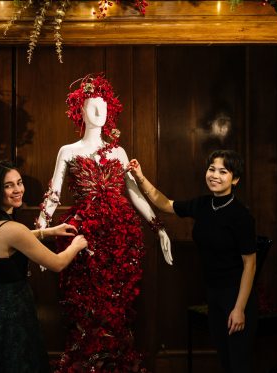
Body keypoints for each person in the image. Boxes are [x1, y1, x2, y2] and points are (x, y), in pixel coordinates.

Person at [36, 74, 173, 372]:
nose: (100, 113)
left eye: (104, 107)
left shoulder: (118, 151)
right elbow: (53, 195)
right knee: (87, 309)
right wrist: (40, 237)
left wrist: (158, 227)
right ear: (80, 112)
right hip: (84, 237)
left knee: (119, 310)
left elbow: (134, 194)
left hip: (122, 240)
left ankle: (115, 365)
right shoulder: (68, 151)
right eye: (92, 107)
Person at [128, 150, 258, 373]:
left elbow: (250, 265)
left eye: (223, 171)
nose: (214, 175)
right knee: (225, 360)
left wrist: (239, 309)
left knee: (238, 364)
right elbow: (165, 204)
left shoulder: (241, 216)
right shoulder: (204, 204)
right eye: (211, 169)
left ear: (235, 179)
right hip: (213, 292)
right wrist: (140, 177)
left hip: (236, 295)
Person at [0, 160, 88, 373]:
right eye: (8, 185)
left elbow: (9, 240)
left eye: (19, 182)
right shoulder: (13, 229)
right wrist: (77, 246)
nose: (18, 190)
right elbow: (58, 263)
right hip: (14, 310)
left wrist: (48, 232)